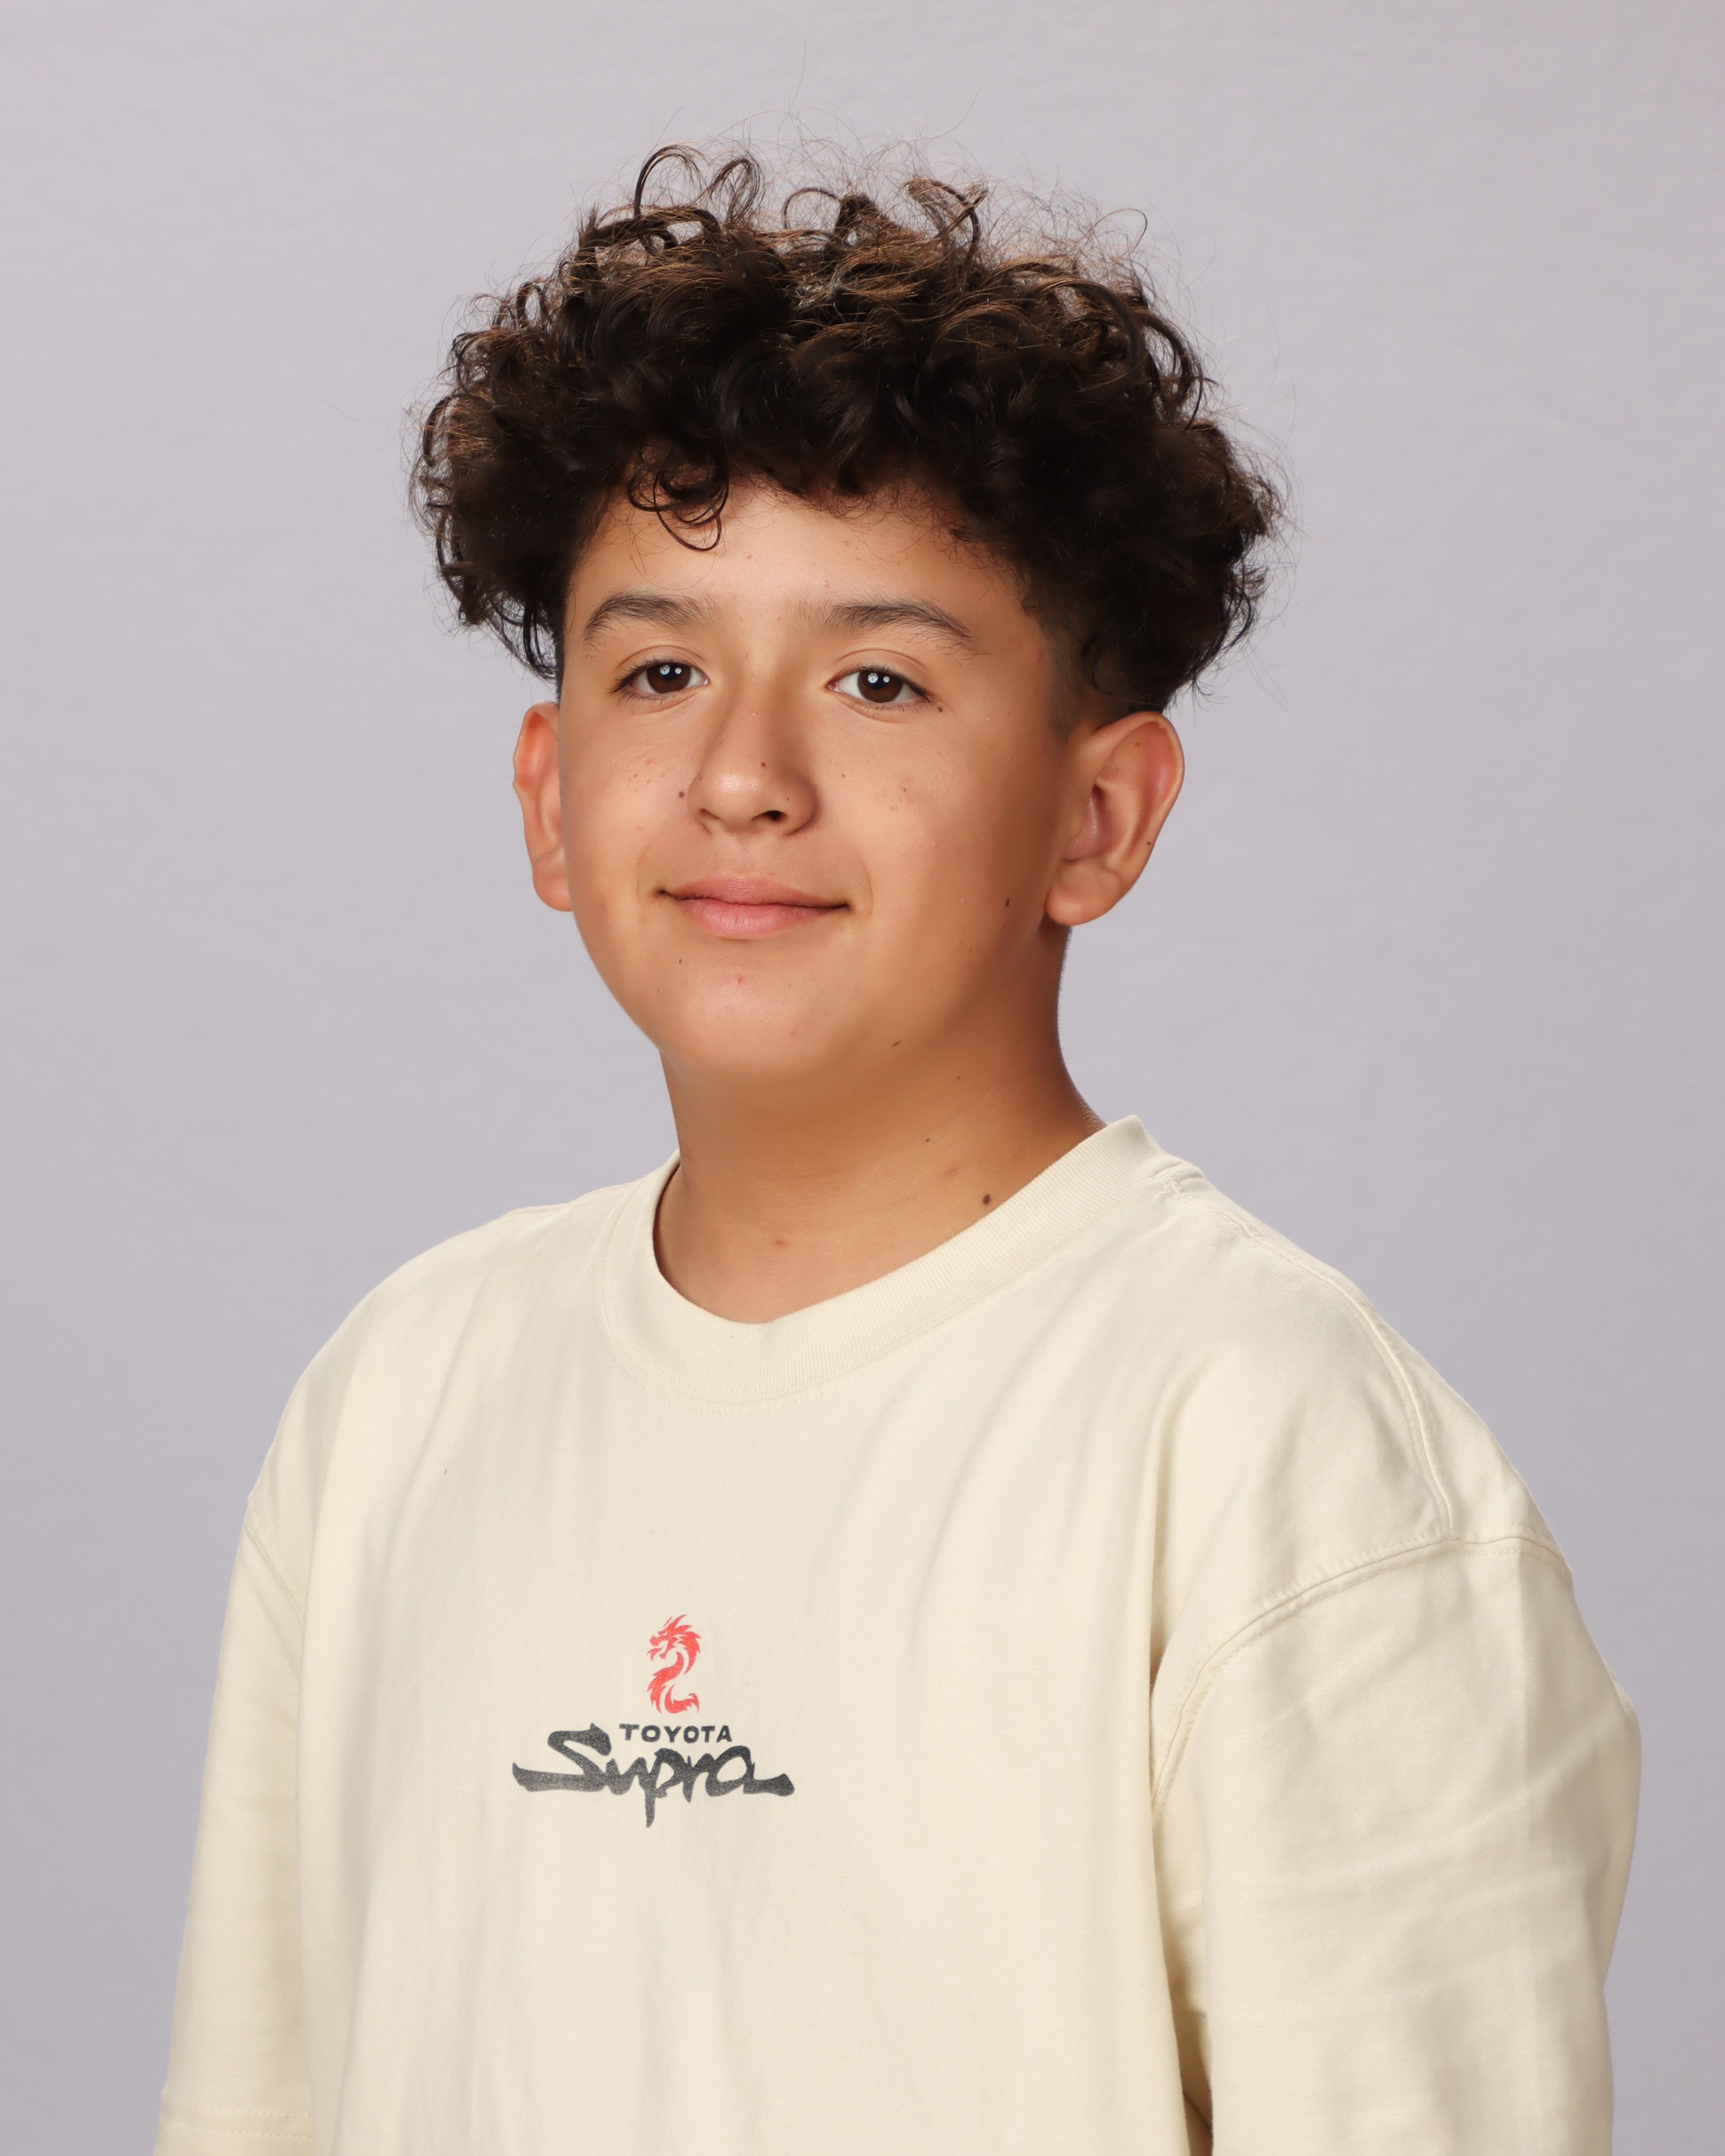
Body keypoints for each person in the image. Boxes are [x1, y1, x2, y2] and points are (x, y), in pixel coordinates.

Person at [155, 148, 1639, 2156]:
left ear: (1098, 819)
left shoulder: (1271, 1456)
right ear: (549, 794)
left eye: (879, 680)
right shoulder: (397, 1404)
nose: (744, 777)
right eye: (661, 670)